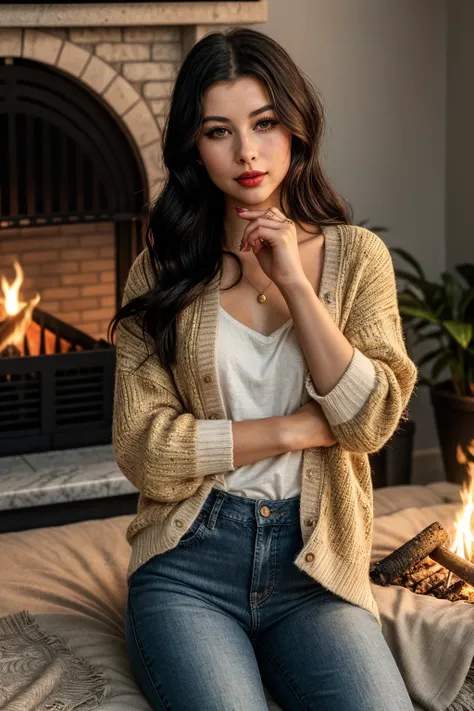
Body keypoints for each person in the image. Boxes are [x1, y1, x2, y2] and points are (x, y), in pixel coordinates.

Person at [109, 26, 418, 711]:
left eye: (266, 122)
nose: (247, 152)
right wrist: (291, 431)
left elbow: (369, 421)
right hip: (188, 565)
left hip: (316, 565)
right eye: (219, 130)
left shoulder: (356, 257)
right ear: (194, 143)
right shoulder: (158, 274)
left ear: (296, 127)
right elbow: (143, 448)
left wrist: (298, 288)